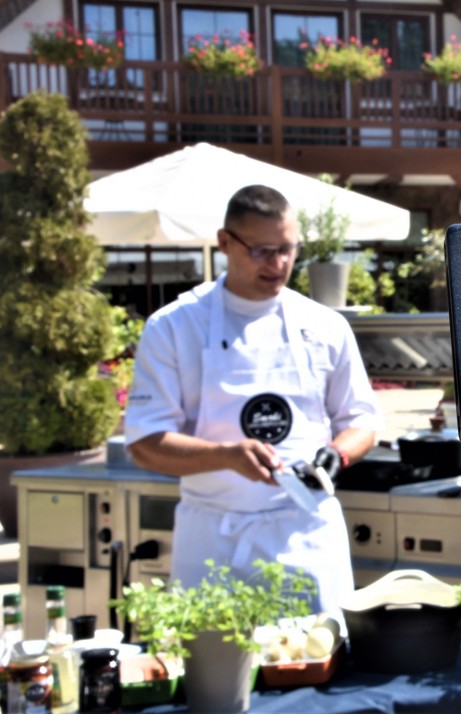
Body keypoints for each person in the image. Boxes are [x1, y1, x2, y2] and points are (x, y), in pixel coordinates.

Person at [124, 184, 383, 618]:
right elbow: (145, 443)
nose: (278, 265)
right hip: (212, 540)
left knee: (316, 663)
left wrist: (337, 455)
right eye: (262, 251)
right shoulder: (173, 326)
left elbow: (362, 419)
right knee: (215, 677)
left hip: (305, 534)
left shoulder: (324, 325)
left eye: (288, 249)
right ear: (225, 243)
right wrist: (227, 455)